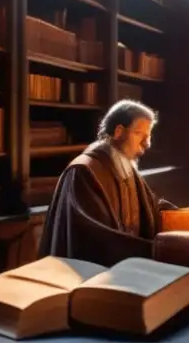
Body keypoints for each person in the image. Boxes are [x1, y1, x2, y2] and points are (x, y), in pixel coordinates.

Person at [39, 99, 177, 266]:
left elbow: (150, 209)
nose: (146, 144)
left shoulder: (126, 168)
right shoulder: (84, 171)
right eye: (140, 134)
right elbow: (94, 236)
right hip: (93, 272)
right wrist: (152, 250)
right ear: (119, 131)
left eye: (148, 137)